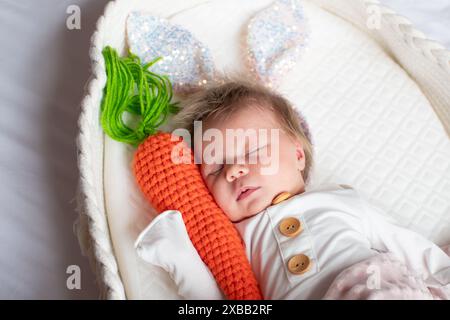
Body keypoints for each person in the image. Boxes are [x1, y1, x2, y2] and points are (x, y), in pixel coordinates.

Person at [173, 77, 450, 299]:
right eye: (217, 169)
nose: (235, 171)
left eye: (253, 151)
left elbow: (403, 242)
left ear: (297, 155)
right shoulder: (232, 241)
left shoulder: (337, 200)